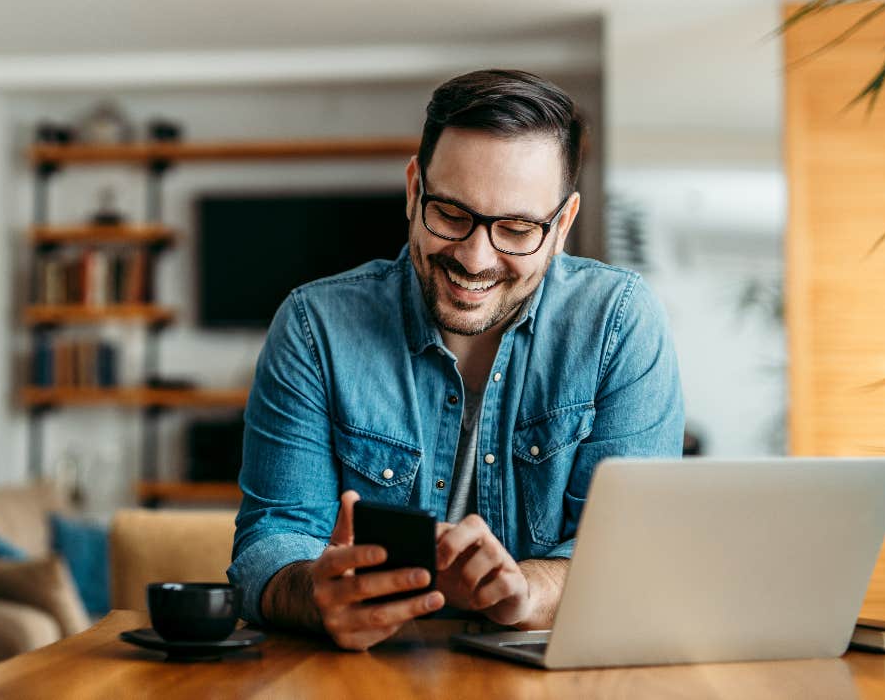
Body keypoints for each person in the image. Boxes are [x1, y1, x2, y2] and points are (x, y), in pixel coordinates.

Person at [227, 69, 684, 650]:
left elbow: (634, 555)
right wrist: (316, 594)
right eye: (451, 214)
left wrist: (526, 591)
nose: (475, 258)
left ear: (562, 224)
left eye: (517, 229)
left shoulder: (620, 323)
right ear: (415, 189)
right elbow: (271, 544)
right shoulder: (315, 326)